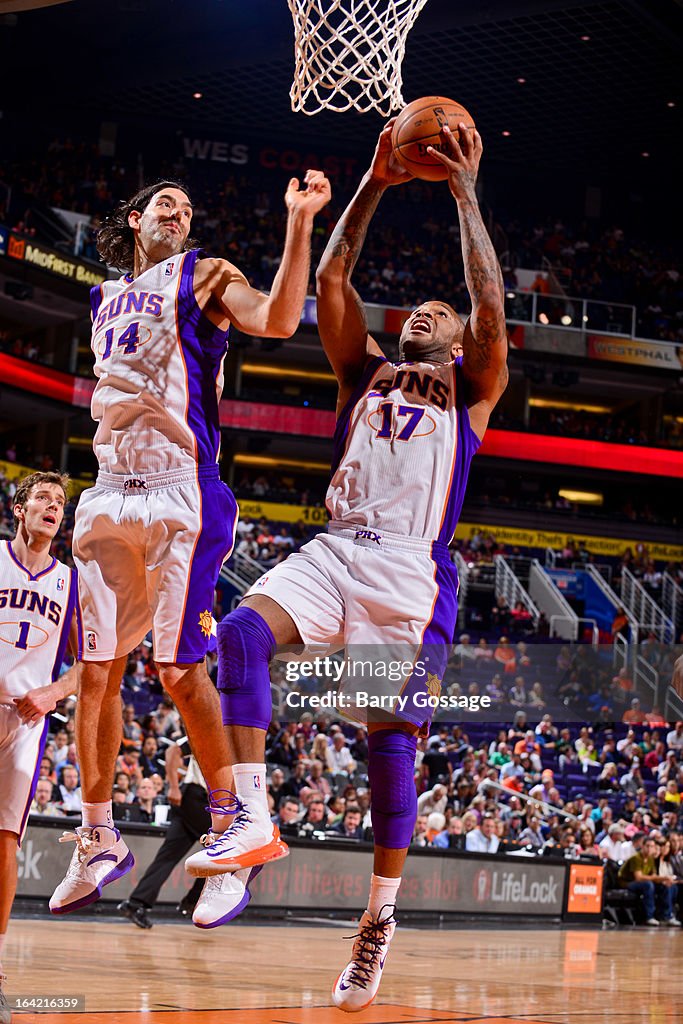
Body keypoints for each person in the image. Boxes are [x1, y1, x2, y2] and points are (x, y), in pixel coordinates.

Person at [186, 118, 507, 1013]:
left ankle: (376, 922)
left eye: (436, 315)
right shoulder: (358, 371)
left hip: (410, 575)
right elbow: (330, 278)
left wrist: (464, 194)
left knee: (388, 747)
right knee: (241, 637)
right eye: (417, 310)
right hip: (335, 550)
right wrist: (371, 179)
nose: (421, 313)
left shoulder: (474, 393)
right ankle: (250, 813)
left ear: (454, 340)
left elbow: (486, 303)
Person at [49, 171, 331, 915]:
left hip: (182, 489)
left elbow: (275, 318)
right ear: (135, 219)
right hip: (108, 490)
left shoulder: (205, 273)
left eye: (187, 207)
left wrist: (299, 221)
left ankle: (238, 824)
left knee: (177, 671)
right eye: (165, 204)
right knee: (95, 674)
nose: (179, 213)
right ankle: (99, 834)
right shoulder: (104, 297)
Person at [0, 472, 81, 1017]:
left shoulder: (71, 581)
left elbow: (90, 664)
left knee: (5, 840)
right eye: (44, 499)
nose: (54, 508)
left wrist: (52, 692)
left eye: (61, 502)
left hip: (25, 723)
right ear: (19, 507)